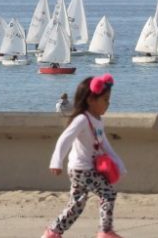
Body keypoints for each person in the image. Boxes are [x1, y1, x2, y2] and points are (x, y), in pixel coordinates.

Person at [44, 74, 125, 238]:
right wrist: (56, 161)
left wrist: (118, 163)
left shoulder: (98, 120)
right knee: (108, 193)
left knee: (76, 205)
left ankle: (53, 232)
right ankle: (105, 231)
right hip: (82, 169)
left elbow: (105, 145)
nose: (108, 104)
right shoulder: (82, 119)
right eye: (105, 99)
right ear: (91, 100)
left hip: (82, 169)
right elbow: (65, 138)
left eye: (108, 99)